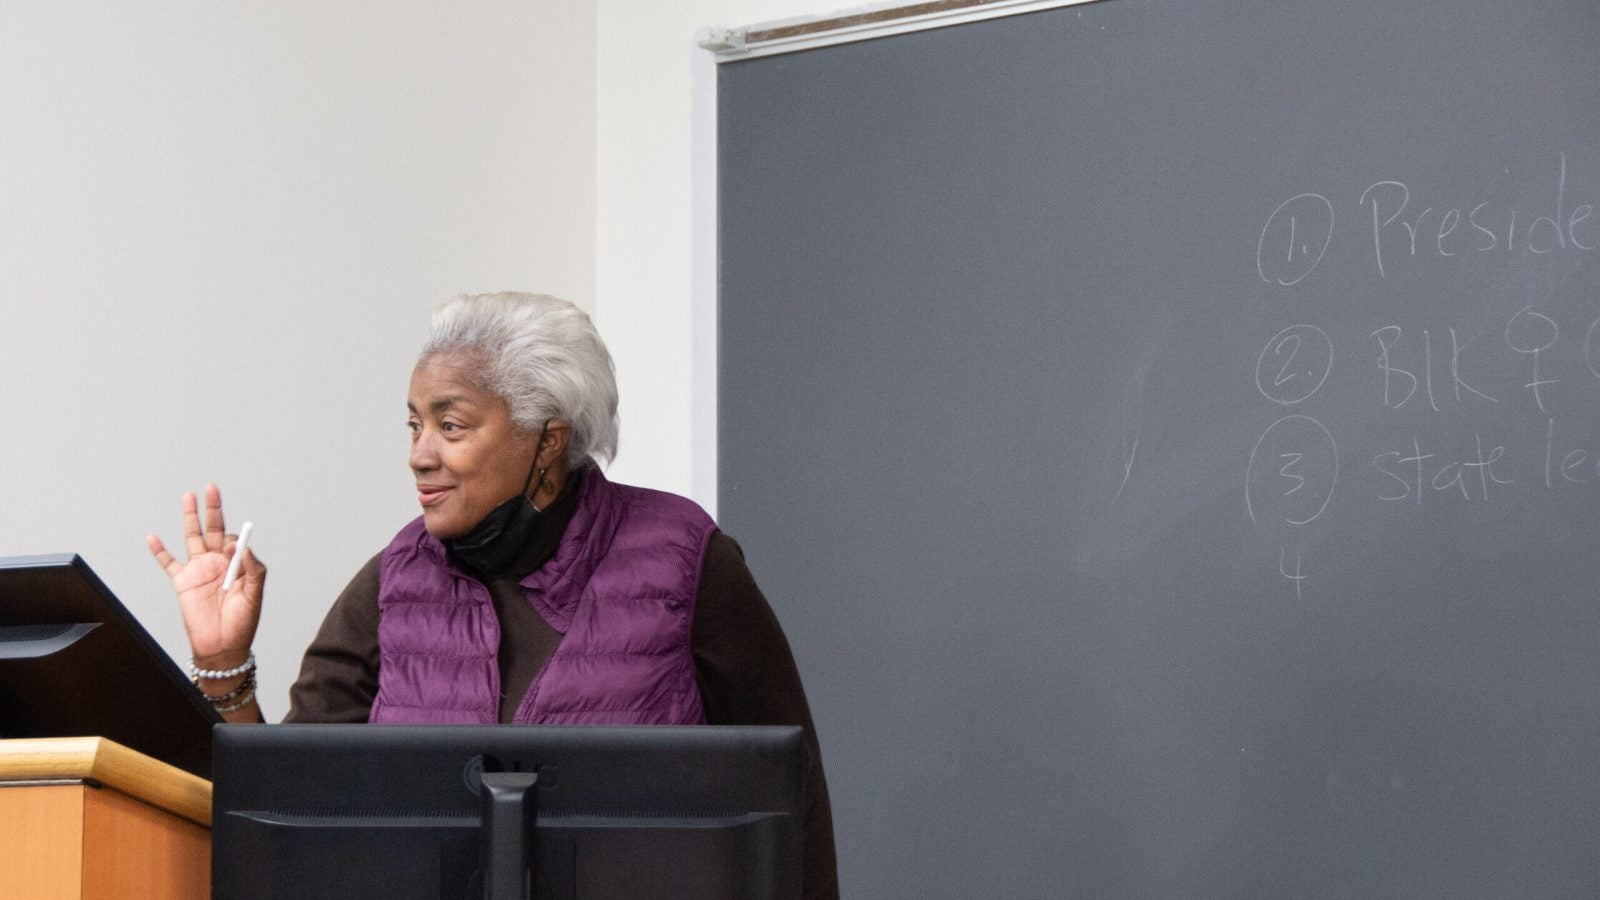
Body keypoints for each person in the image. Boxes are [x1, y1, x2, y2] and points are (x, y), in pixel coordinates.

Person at [147, 292, 838, 898]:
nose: (420, 453)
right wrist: (224, 662)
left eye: (451, 425)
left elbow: (789, 792)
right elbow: (289, 813)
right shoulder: (393, 579)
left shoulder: (685, 559)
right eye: (414, 424)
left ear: (547, 441)